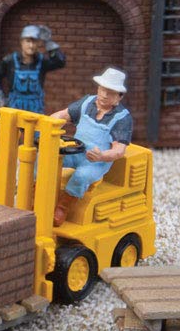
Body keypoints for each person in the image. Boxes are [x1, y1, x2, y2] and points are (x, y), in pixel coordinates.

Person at [48, 68, 133, 226]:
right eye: (102, 89)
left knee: (81, 176)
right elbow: (63, 115)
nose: (104, 95)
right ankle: (35, 194)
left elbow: (119, 150)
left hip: (96, 161)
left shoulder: (122, 118)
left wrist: (102, 156)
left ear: (119, 97)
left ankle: (62, 207)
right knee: (45, 158)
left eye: (110, 93)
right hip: (75, 151)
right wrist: (48, 124)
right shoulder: (87, 103)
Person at [0, 25, 66, 113]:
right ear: (21, 42)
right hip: (14, 108)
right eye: (28, 41)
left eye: (34, 42)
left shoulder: (41, 61)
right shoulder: (10, 61)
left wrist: (48, 42)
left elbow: (60, 62)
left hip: (36, 109)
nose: (31, 46)